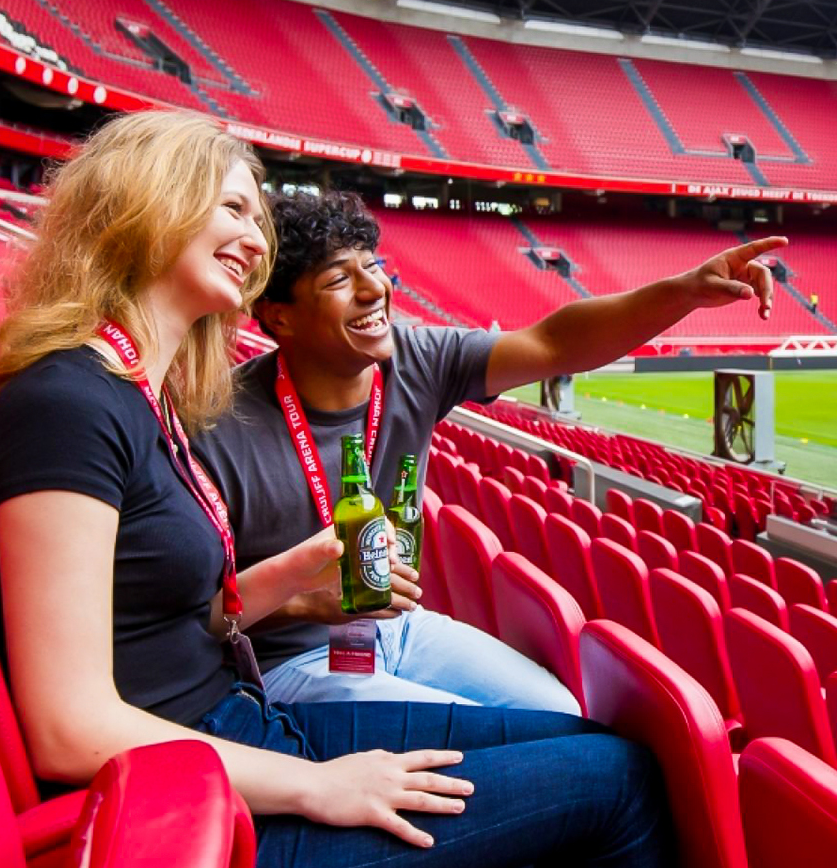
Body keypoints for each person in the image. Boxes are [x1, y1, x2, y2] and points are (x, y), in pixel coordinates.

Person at [0, 110, 679, 868]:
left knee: (591, 743)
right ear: (145, 202)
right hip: (175, 815)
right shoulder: (65, 405)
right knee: (617, 782)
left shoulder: (139, 397)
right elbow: (66, 724)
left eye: (254, 217)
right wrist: (313, 785)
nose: (252, 235)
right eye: (230, 208)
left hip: (229, 734)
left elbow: (148, 625)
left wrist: (278, 586)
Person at [196, 190, 785, 709]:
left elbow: (553, 342)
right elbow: (188, 614)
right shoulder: (218, 426)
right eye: (338, 280)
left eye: (372, 267)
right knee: (471, 741)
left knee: (556, 712)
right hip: (292, 662)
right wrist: (304, 601)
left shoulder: (419, 358)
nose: (375, 289)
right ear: (278, 317)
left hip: (400, 628)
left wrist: (683, 292)